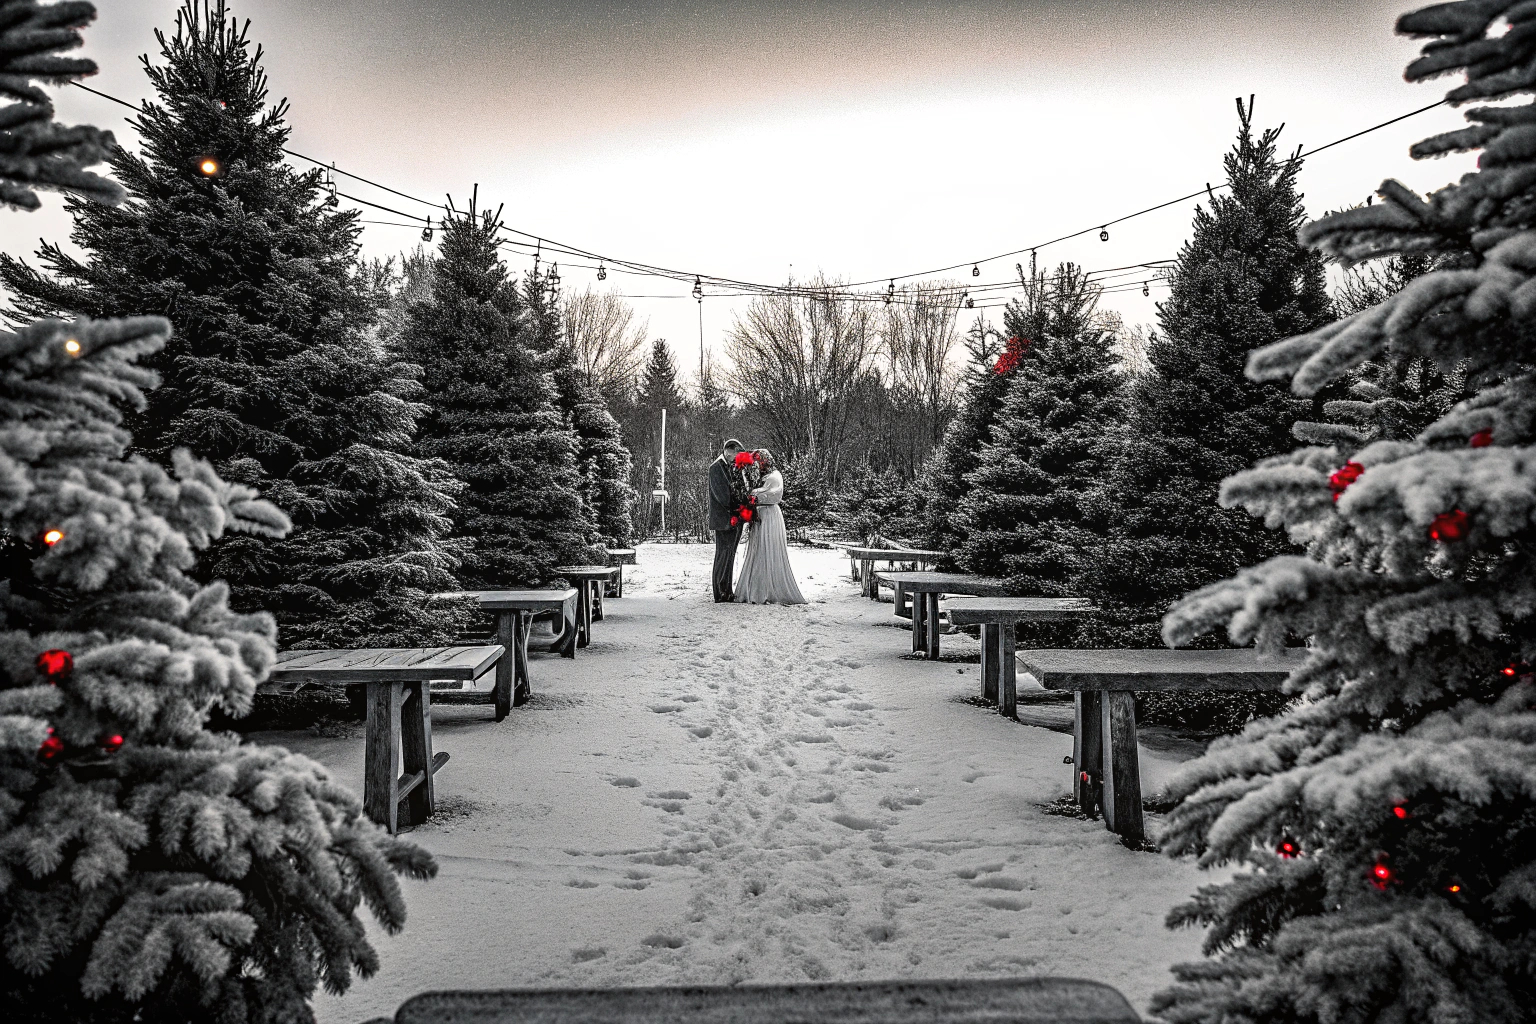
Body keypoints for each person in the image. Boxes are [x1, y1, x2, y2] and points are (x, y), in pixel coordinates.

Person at [735, 449, 807, 605]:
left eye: (760, 461)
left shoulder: (775, 476)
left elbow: (774, 494)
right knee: (758, 551)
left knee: (769, 549)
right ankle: (755, 588)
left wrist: (754, 496)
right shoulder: (760, 477)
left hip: (770, 514)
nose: (758, 464)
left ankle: (768, 589)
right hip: (760, 514)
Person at [708, 438, 744, 602]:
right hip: (724, 519)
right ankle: (720, 591)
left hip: (730, 518)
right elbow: (722, 496)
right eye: (737, 453)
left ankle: (726, 590)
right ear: (730, 450)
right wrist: (739, 508)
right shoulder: (717, 467)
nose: (737, 458)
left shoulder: (728, 466)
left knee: (729, 555)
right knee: (723, 555)